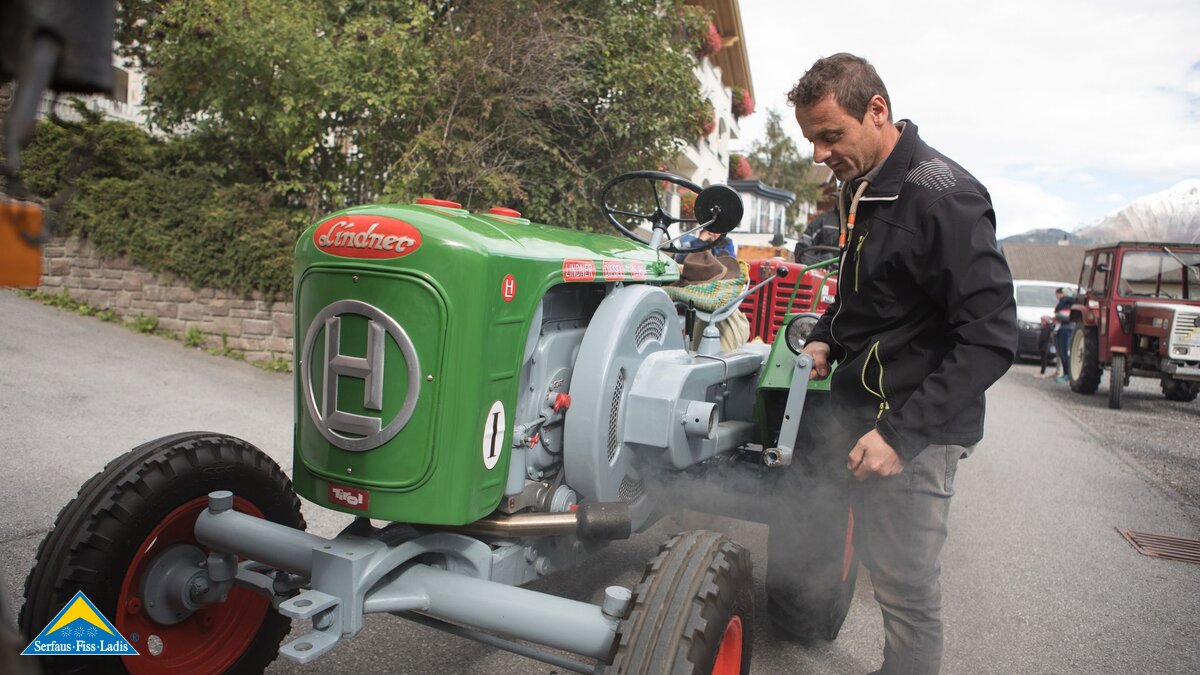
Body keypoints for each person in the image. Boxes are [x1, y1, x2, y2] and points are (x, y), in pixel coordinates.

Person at [788, 53, 1017, 674]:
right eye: (811, 139)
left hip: (914, 432)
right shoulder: (863, 186)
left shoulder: (946, 199)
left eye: (829, 135)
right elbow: (863, 293)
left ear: (877, 111)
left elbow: (993, 336)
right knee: (846, 541)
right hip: (858, 412)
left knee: (904, 587)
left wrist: (901, 435)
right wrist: (827, 339)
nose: (819, 154)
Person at [1053, 288, 1075, 383]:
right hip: (1062, 329)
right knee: (1062, 353)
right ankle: (1066, 373)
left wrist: (1057, 317)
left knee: (1065, 352)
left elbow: (1068, 316)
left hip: (1066, 329)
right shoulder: (1065, 302)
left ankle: (1067, 374)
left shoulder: (1067, 303)